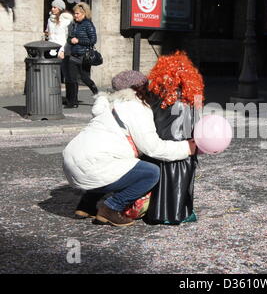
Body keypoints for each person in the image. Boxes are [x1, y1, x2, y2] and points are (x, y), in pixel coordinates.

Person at [62, 70, 197, 227]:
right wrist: (186, 148)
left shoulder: (110, 104)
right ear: (140, 89)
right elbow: (153, 148)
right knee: (150, 173)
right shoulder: (135, 108)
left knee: (110, 165)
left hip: (71, 162)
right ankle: (111, 208)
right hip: (93, 164)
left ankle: (86, 205)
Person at [141, 51, 205, 225]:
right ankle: (178, 213)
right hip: (183, 147)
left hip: (159, 147)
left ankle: (156, 212)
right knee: (180, 183)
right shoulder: (193, 95)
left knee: (159, 179)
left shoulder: (155, 93)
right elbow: (197, 124)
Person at [65, 2, 99, 108]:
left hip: (84, 56)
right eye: (75, 13)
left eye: (77, 14)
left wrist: (78, 40)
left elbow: (93, 40)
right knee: (71, 79)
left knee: (85, 78)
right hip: (73, 55)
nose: (75, 15)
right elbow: (69, 38)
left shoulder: (88, 24)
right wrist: (71, 40)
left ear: (84, 14)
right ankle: (73, 102)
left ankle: (97, 94)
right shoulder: (74, 24)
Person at [45, 0, 73, 84]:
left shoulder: (66, 20)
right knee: (50, 69)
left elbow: (68, 36)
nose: (52, 9)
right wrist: (46, 34)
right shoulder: (50, 19)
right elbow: (47, 31)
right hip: (50, 46)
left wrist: (64, 50)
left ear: (60, 9)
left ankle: (62, 91)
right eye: (52, 7)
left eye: (55, 7)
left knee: (62, 70)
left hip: (61, 47)